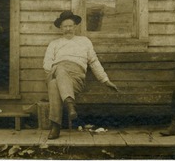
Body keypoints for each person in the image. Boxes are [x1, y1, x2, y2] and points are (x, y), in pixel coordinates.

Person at [43, 10, 119, 139]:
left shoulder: (84, 41)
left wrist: (105, 80)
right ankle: (70, 104)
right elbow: (46, 65)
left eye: (70, 26)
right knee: (59, 71)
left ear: (75, 27)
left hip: (76, 79)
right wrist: (59, 68)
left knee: (54, 84)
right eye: (65, 26)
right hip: (57, 71)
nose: (68, 29)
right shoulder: (54, 44)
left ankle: (56, 126)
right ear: (61, 28)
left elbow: (94, 62)